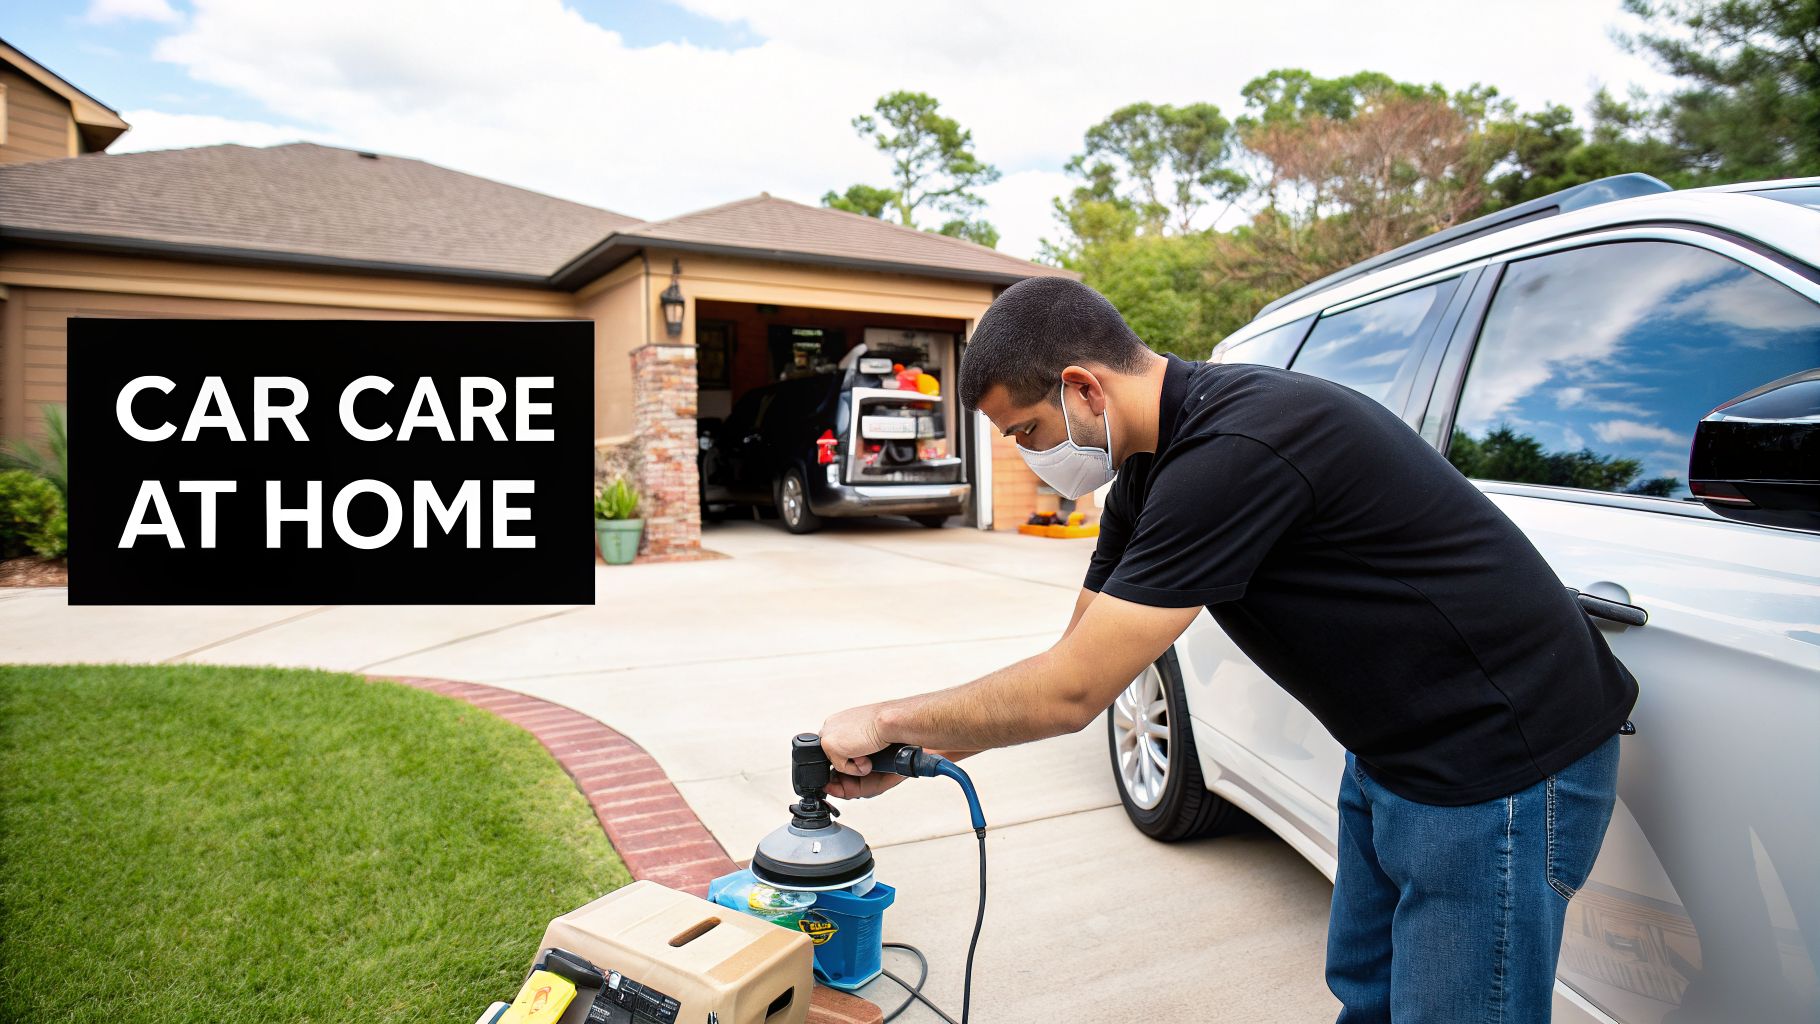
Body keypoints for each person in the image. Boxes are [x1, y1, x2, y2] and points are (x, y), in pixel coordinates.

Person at [815, 276, 1638, 1022]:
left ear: (1082, 387)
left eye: (1028, 430)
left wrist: (887, 715)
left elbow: (1070, 695)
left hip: (1501, 764)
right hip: (1395, 752)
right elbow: (1081, 654)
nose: (1032, 455)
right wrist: (911, 746)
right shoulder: (1146, 466)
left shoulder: (1237, 449)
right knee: (1372, 997)